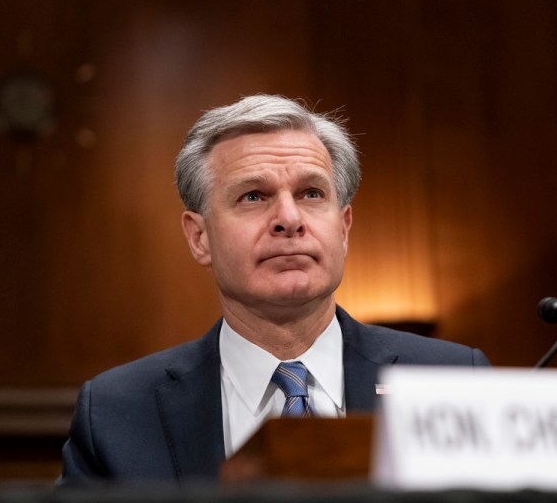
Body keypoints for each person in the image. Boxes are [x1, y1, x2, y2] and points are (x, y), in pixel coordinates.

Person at [58, 95, 490, 485]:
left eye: (311, 193)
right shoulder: (117, 413)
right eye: (253, 196)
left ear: (343, 229)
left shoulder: (451, 380)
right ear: (199, 238)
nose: (289, 218)